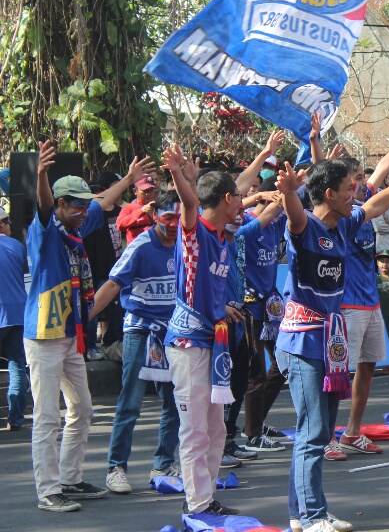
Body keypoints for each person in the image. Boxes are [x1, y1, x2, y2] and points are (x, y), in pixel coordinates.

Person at [274, 153, 389, 532]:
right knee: (313, 432)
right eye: (350, 188)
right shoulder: (307, 227)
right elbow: (296, 216)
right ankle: (313, 516)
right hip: (302, 341)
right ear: (329, 194)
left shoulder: (345, 225)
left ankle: (301, 514)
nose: (357, 193)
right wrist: (286, 193)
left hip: (330, 340)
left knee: (320, 430)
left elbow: (378, 203)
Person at [25, 140, 154, 512]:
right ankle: (48, 491)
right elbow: (46, 205)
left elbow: (101, 203)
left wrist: (129, 178)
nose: (83, 210)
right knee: (48, 416)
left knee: (82, 410)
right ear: (61, 206)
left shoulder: (77, 231)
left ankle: (70, 478)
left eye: (84, 205)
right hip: (44, 338)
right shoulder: (46, 233)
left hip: (71, 337)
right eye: (75, 205)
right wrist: (42, 175)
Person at [309, 113, 389, 461]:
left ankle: (353, 432)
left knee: (370, 365)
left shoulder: (363, 202)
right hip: (347, 302)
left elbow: (383, 177)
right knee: (337, 369)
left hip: (370, 299)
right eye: (354, 179)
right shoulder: (342, 213)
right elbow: (320, 178)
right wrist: (316, 143)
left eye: (360, 178)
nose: (360, 183)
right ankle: (326, 436)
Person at [160, 144, 243, 516]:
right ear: (227, 199)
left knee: (217, 430)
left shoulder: (225, 238)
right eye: (239, 195)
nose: (243, 201)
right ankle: (197, 505)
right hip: (188, 342)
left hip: (214, 343)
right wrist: (178, 175)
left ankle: (204, 497)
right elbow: (190, 206)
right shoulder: (195, 233)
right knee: (194, 429)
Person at [89, 190, 185, 494]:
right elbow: (113, 284)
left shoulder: (186, 242)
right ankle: (116, 468)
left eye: (179, 218)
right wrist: (86, 318)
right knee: (130, 401)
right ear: (155, 215)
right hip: (140, 330)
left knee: (173, 401)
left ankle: (164, 463)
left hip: (172, 331)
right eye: (168, 217)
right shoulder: (141, 246)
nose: (174, 224)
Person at [223, 191, 285, 466]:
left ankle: (256, 422)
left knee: (282, 366)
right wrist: (271, 197)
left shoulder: (276, 224)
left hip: (271, 308)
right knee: (254, 374)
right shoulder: (245, 227)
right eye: (270, 203)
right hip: (248, 310)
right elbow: (263, 211)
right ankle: (252, 433)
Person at [82, 171, 126, 361]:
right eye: (116, 184)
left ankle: (105, 340)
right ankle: (90, 345)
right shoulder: (91, 213)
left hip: (112, 269)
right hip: (92, 269)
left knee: (110, 307)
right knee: (91, 307)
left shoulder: (120, 211)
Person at [0, 205, 28, 431]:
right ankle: (16, 418)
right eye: (7, 221)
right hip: (18, 312)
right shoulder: (17, 246)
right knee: (17, 365)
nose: (10, 224)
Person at [117, 175, 158, 245]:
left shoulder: (159, 206)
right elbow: (120, 225)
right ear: (135, 191)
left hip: (155, 248)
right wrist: (141, 211)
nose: (148, 194)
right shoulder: (128, 208)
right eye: (144, 191)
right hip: (137, 250)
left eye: (150, 190)